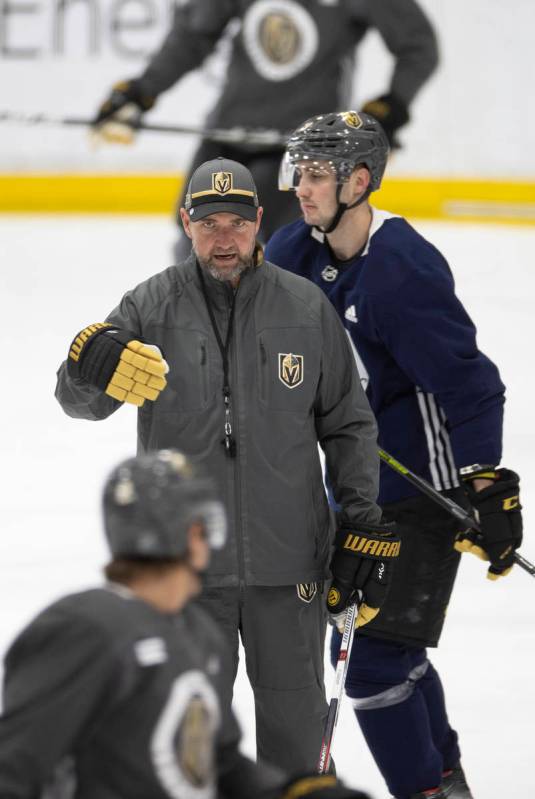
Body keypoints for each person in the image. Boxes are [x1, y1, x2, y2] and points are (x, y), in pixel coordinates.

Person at [54, 156, 402, 775]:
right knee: (185, 744)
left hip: (290, 565)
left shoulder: (305, 308)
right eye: (209, 222)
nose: (224, 237)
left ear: (260, 222)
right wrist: (87, 365)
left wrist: (362, 522)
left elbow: (348, 424)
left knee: (296, 746)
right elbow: (81, 404)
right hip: (186, 574)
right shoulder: (149, 306)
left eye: (237, 223)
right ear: (186, 223)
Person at [264, 110, 524, 799]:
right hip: (352, 488)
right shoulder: (294, 251)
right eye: (299, 172)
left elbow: (471, 387)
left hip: (421, 493)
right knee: (391, 649)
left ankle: (426, 789)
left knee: (372, 663)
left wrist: (485, 484)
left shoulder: (400, 275)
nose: (301, 187)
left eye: (316, 174)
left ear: (358, 180)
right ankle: (443, 777)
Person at [0, 448, 373, 799]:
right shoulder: (84, 628)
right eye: (205, 521)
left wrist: (289, 791)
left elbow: (217, 763)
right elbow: (13, 770)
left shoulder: (195, 630)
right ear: (190, 533)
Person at [91, 0, 439, 255]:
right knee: (193, 246)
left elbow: (418, 46)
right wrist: (142, 91)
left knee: (281, 258)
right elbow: (194, 36)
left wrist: (391, 108)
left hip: (305, 150)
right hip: (227, 136)